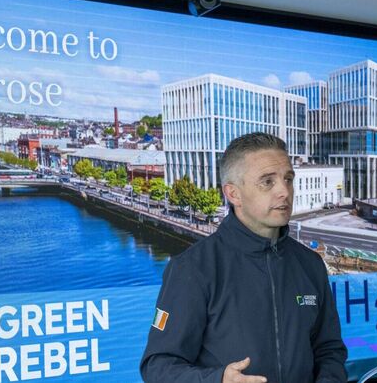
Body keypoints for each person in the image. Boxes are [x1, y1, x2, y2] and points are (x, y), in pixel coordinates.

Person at [140, 132, 347, 383]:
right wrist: (218, 380)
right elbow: (157, 366)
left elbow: (329, 350)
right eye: (267, 182)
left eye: (288, 179)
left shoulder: (310, 264)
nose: (284, 191)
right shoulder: (193, 269)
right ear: (233, 194)